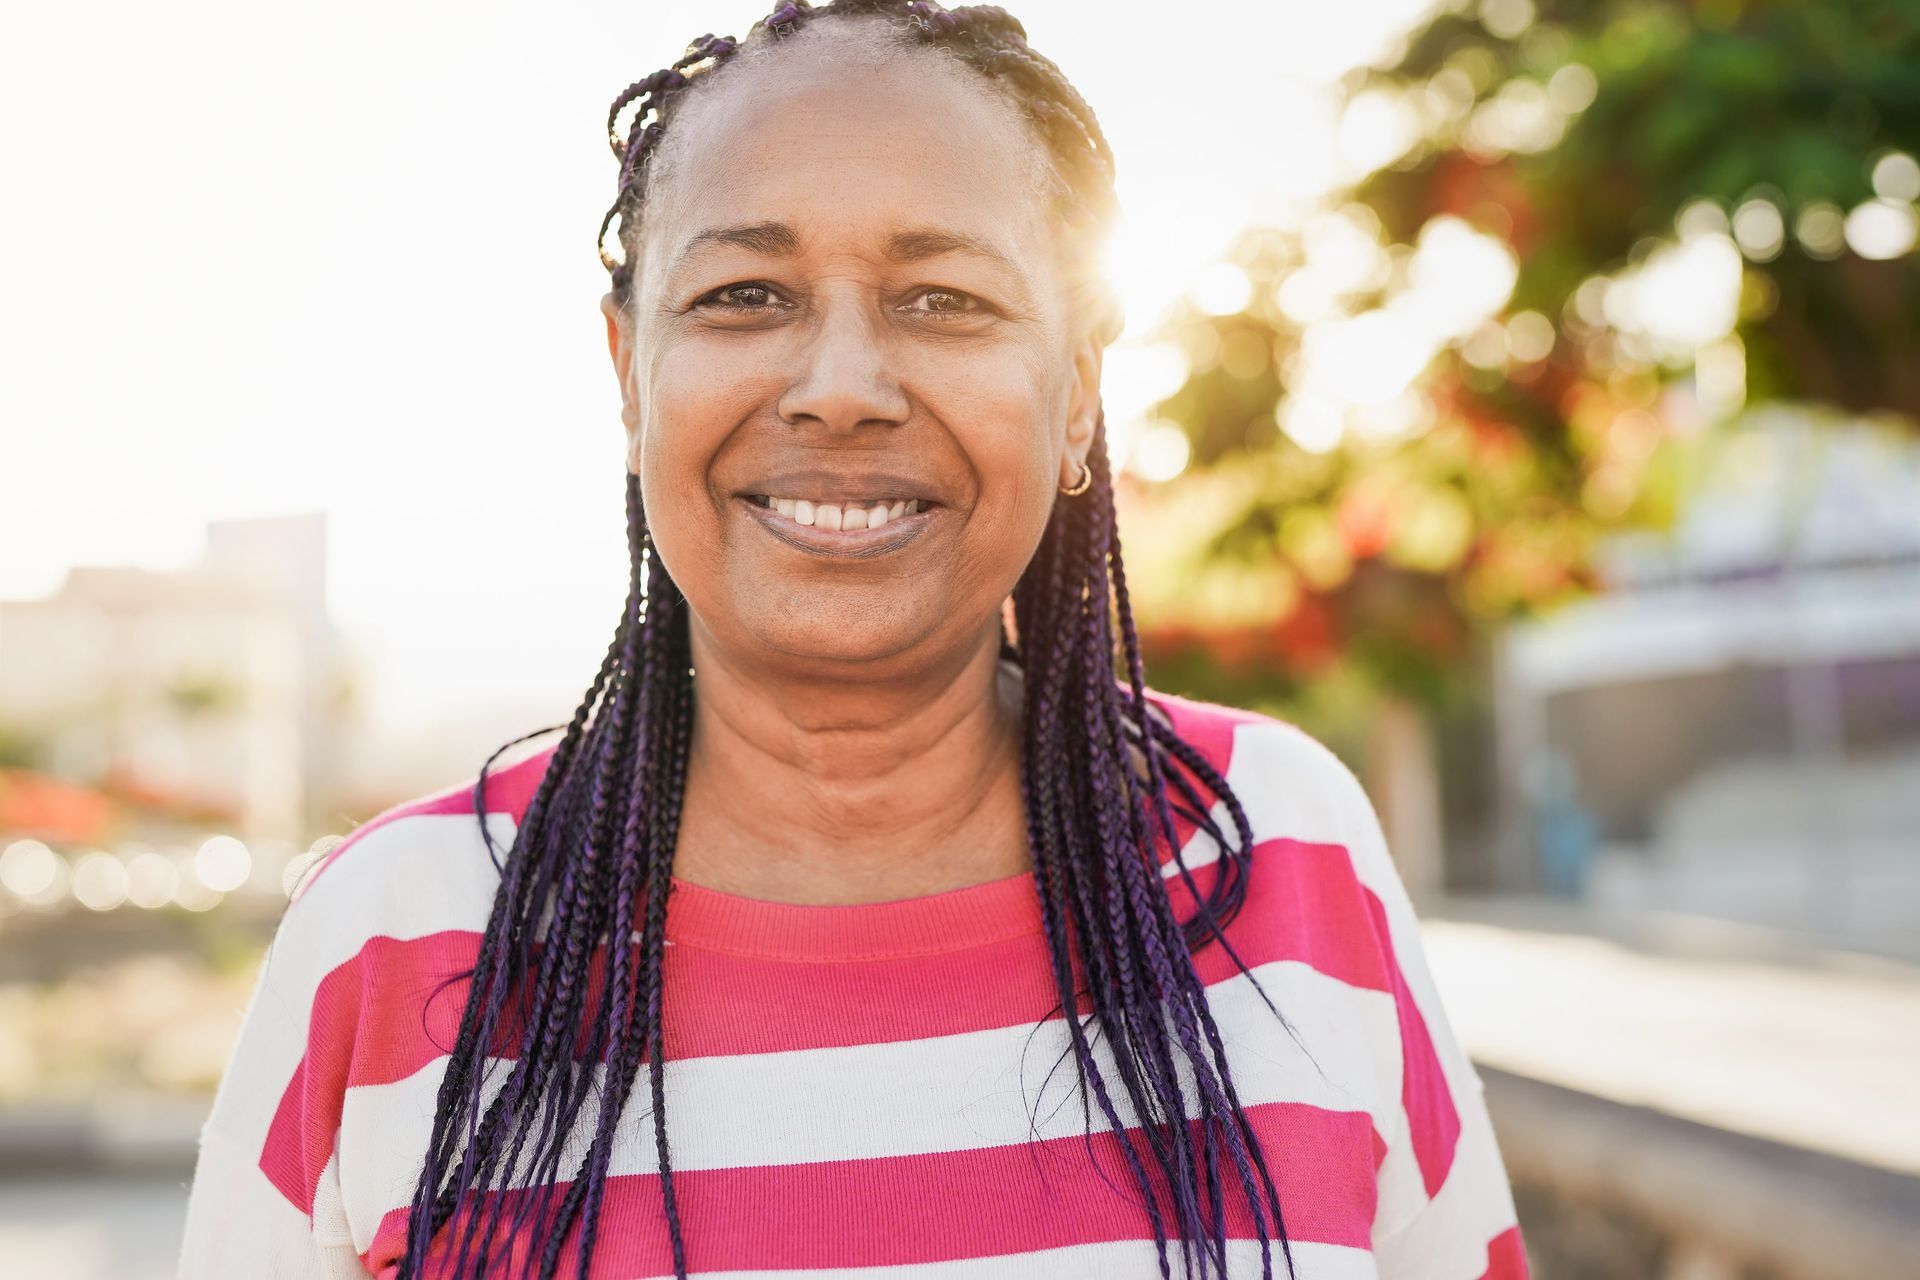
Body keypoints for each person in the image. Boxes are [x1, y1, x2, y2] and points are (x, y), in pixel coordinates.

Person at [176, 2, 1530, 1276]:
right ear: (627, 373)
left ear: (1077, 397)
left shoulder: (1281, 853)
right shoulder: (388, 936)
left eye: (943, 299)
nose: (839, 391)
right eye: (745, 296)